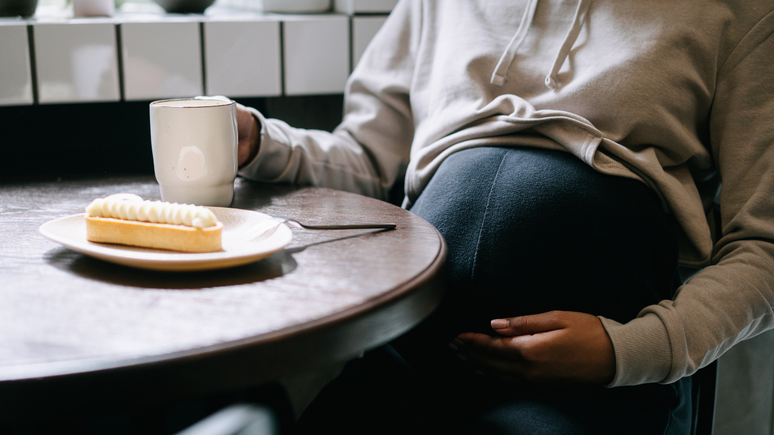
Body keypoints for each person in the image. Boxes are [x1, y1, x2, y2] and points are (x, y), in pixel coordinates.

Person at [233, 1, 774, 433]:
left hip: (592, 387)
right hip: (412, 356)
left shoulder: (741, 12)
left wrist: (626, 351)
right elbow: (369, 158)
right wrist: (262, 141)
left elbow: (763, 249)